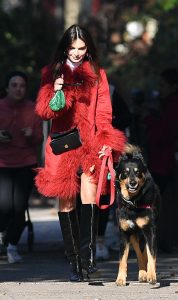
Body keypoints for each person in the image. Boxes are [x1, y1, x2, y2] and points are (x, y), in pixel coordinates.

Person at [35, 24, 126, 282]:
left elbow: (104, 111)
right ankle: (74, 262)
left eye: (82, 48)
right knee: (66, 201)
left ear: (88, 49)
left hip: (90, 144)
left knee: (90, 198)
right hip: (62, 144)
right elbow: (44, 112)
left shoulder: (97, 74)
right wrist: (57, 91)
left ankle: (88, 261)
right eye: (72, 48)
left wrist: (107, 140)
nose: (77, 53)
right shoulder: (51, 72)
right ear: (65, 47)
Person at [0, 71, 43, 263]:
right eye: (14, 85)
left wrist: (30, 135)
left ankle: (11, 244)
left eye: (22, 86)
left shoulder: (32, 109)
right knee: (4, 206)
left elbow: (39, 139)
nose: (18, 89)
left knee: (19, 208)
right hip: (2, 163)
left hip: (26, 163)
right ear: (7, 88)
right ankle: (2, 235)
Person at [144, 68, 178, 252]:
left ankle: (159, 240)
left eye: (163, 85)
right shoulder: (166, 104)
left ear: (173, 86)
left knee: (157, 202)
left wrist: (149, 119)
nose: (160, 89)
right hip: (160, 160)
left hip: (163, 161)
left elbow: (165, 133)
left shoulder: (172, 105)